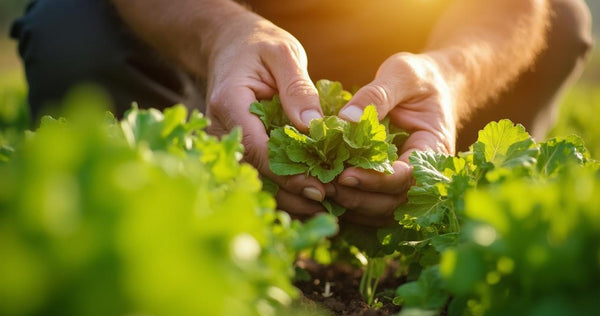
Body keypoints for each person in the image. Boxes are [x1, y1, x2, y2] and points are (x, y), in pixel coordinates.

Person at [11, 0, 593, 226]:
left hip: (397, 25)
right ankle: (172, 213)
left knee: (560, 21)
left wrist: (451, 73)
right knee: (69, 30)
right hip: (216, 19)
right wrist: (218, 33)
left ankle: (441, 207)